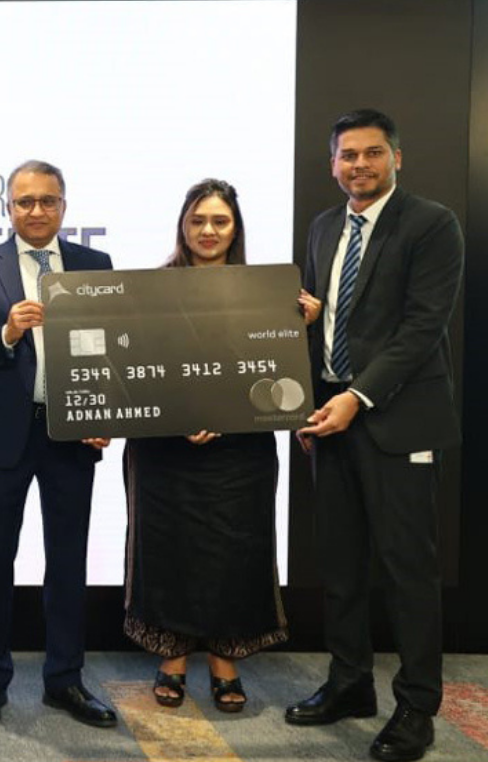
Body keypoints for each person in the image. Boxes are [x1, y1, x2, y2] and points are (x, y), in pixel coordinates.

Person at [289, 109, 463, 762]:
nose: (358, 165)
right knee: (339, 564)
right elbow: (332, 321)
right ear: (332, 164)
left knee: (407, 571)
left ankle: (416, 707)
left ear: (396, 157)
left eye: (371, 153)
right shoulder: (323, 226)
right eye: (347, 155)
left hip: (396, 419)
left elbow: (422, 327)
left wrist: (356, 398)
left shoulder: (431, 223)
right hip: (331, 419)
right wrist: (313, 400)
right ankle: (349, 683)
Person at [121, 179, 309, 713]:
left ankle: (226, 663)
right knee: (168, 551)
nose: (208, 230)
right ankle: (173, 659)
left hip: (240, 451)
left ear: (235, 228)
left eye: (219, 221)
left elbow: (278, 370)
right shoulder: (150, 290)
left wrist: (304, 324)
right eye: (198, 220)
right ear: (183, 225)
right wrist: (180, 419)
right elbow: (133, 369)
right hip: (165, 450)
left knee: (235, 551)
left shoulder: (268, 294)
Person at [0, 160, 115, 729]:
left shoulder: (94, 265)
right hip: (1, 437)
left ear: (64, 206)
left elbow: (112, 350)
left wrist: (103, 413)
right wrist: (8, 333)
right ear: (9, 207)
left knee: (68, 562)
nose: (36, 211)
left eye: (47, 201)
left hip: (71, 435)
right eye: (25, 202)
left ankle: (65, 680)